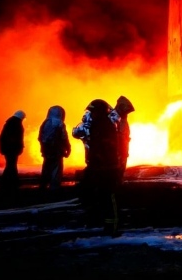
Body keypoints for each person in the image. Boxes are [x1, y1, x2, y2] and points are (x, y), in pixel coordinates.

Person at [78, 99, 120, 236]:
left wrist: (100, 160)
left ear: (100, 112)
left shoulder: (106, 126)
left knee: (108, 197)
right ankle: (100, 221)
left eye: (94, 111)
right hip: (98, 166)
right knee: (97, 195)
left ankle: (112, 228)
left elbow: (107, 147)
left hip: (107, 168)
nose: (92, 114)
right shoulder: (96, 124)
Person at [37, 105, 71, 192]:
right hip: (56, 149)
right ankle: (54, 188)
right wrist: (68, 147)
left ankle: (43, 186)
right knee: (56, 168)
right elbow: (64, 137)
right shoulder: (59, 123)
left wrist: (43, 147)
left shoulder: (45, 122)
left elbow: (40, 137)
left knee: (46, 167)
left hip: (46, 149)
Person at [0, 110, 26, 192]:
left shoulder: (10, 122)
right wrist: (19, 147)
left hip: (8, 148)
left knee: (11, 165)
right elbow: (17, 138)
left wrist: (2, 148)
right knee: (11, 165)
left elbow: (2, 137)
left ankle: (11, 182)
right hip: (12, 149)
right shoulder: (16, 124)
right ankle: (9, 182)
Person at [109, 96, 135, 184]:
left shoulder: (123, 119)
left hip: (122, 150)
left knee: (120, 173)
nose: (126, 113)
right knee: (114, 174)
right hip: (116, 151)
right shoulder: (113, 118)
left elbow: (125, 134)